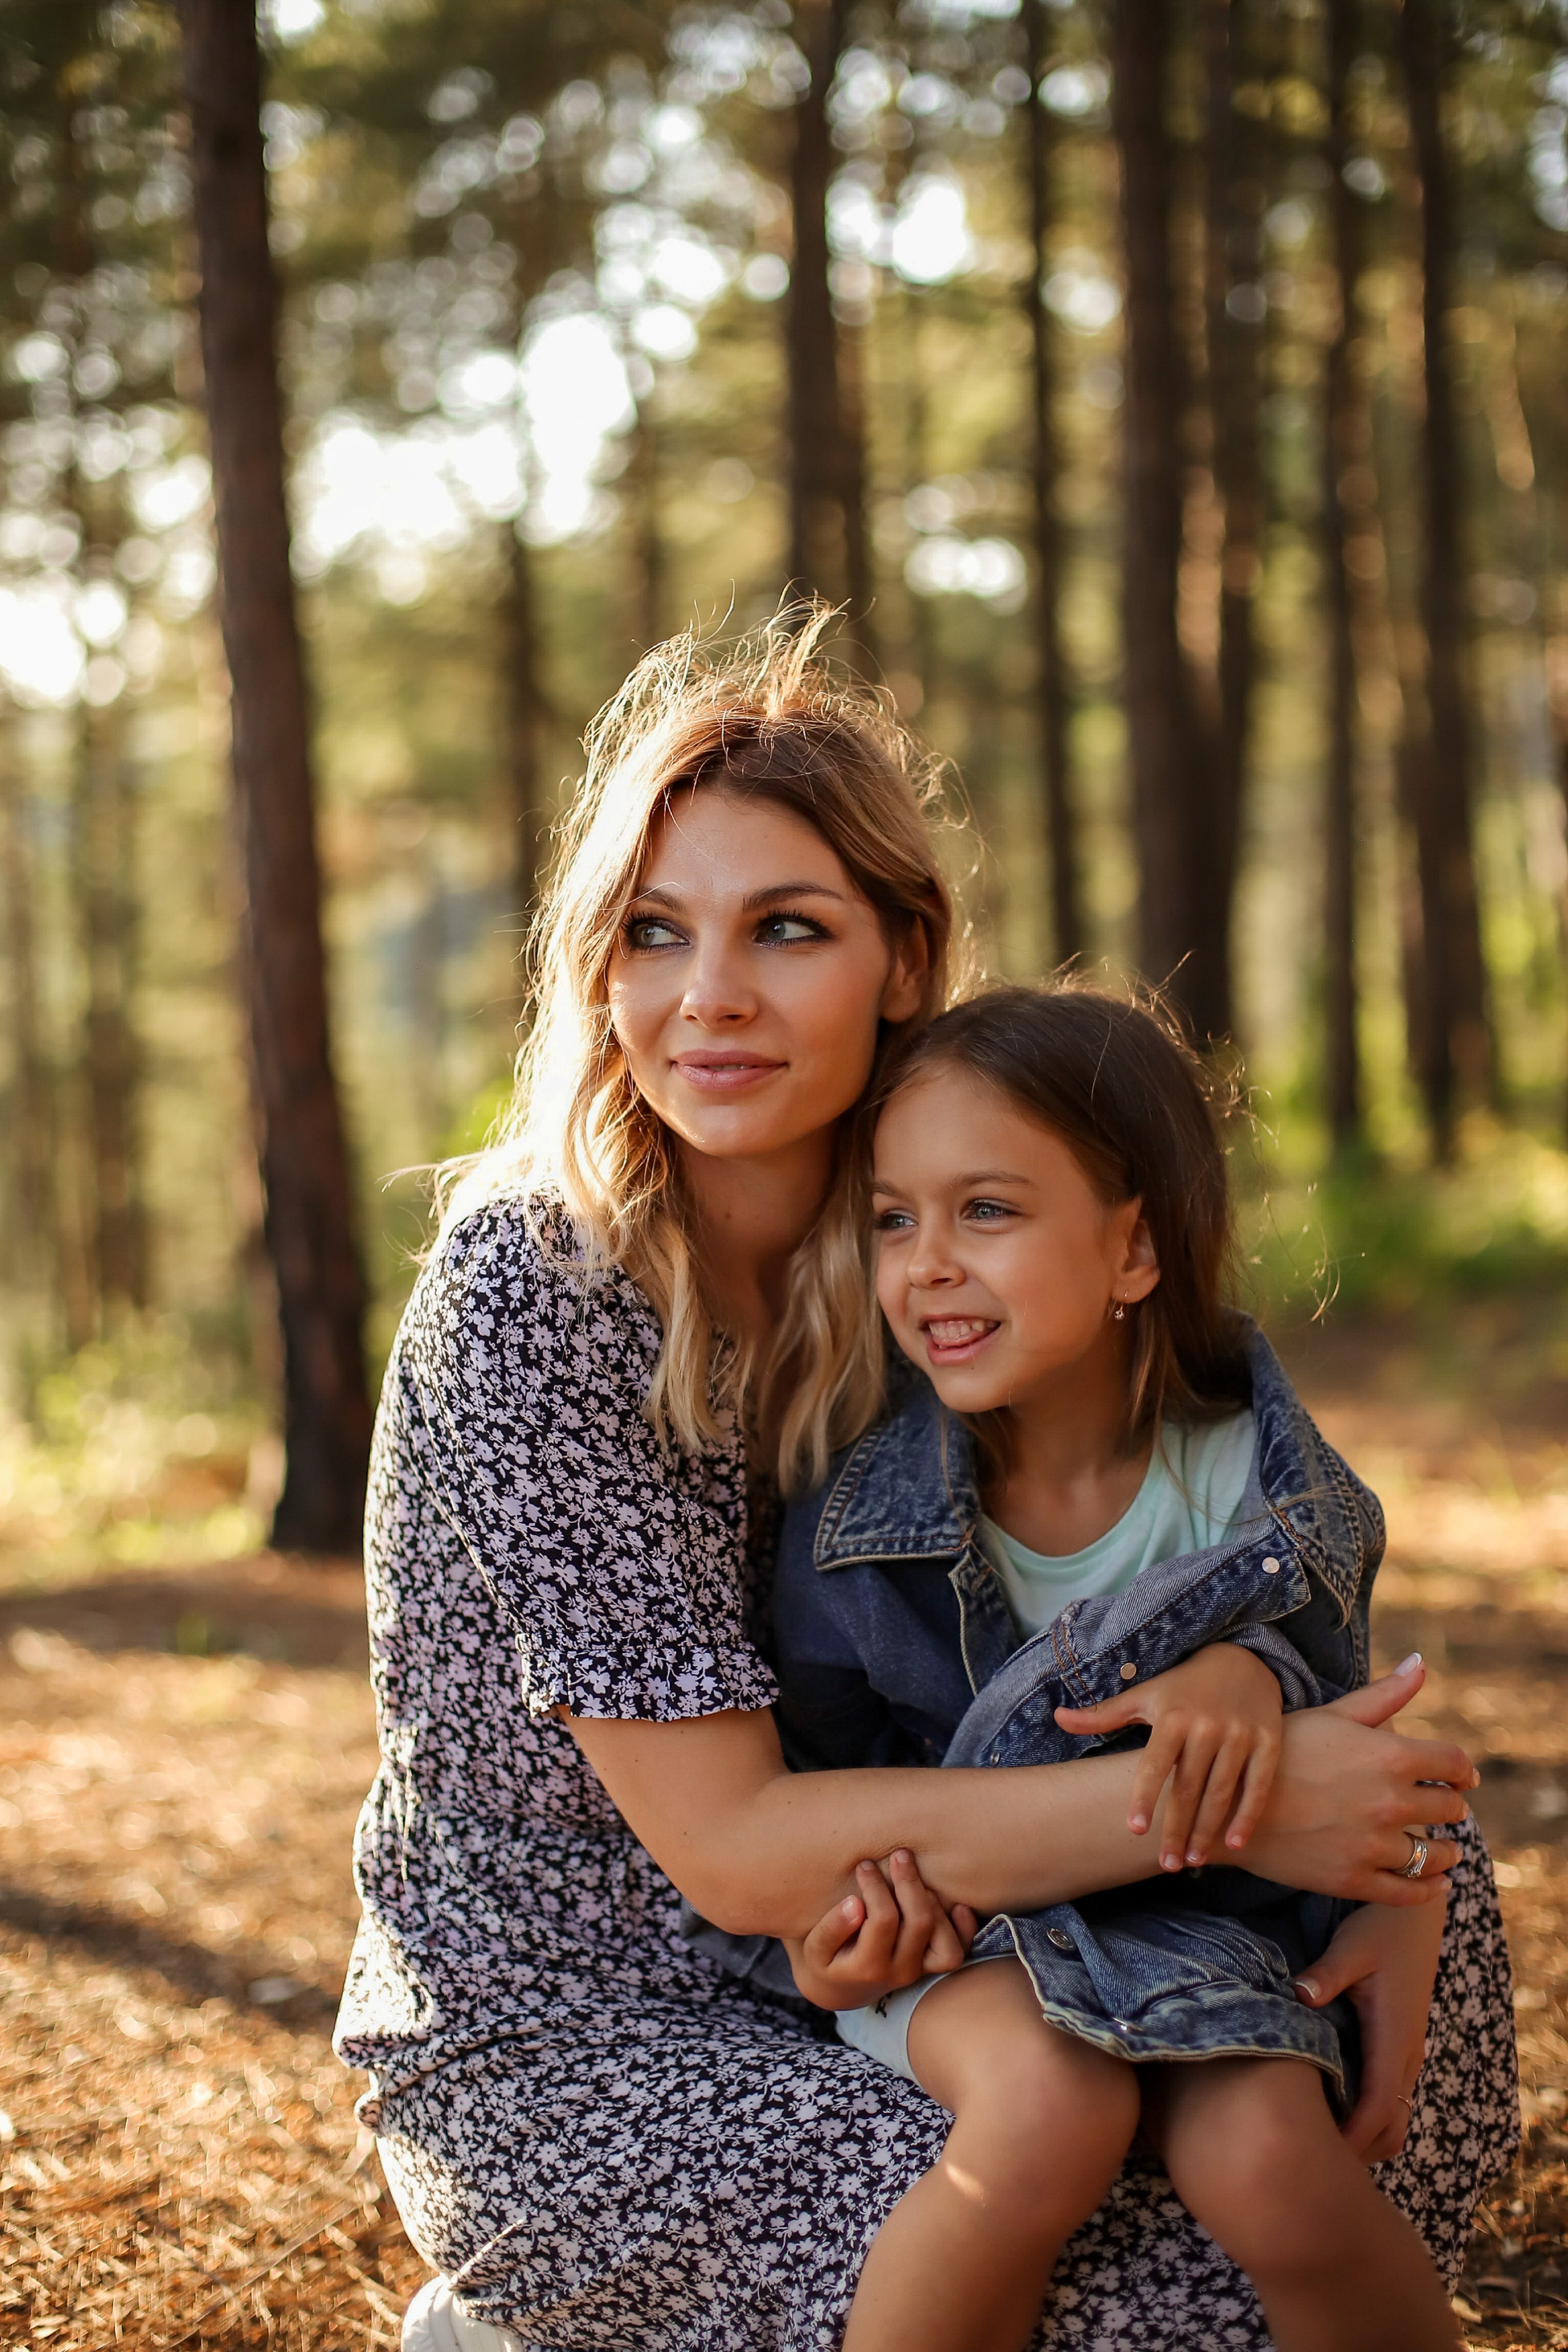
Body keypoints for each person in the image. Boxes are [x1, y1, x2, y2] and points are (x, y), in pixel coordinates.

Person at [330, 615, 1517, 2352]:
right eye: (652, 933)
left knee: (1403, 1926)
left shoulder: (927, 1243)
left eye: (784, 930)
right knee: (1175, 2320)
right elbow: (738, 1857)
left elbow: (1183, 1567)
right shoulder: (545, 1283)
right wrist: (1253, 1804)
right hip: (606, 2018)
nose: (708, 995)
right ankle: (547, 2317)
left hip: (950, 1916)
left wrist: (1355, 1826)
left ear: (904, 958)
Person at [768, 984, 1466, 2352]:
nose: (924, 1264)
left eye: (986, 1211)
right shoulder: (857, 1526)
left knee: (1269, 2158)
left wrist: (1249, 1674)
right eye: (893, 1218)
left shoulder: (1251, 1485)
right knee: (1040, 2115)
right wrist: (832, 1944)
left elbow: (1353, 1717)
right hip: (967, 1938)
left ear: (1132, 1247)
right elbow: (815, 1796)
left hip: (1203, 1925)